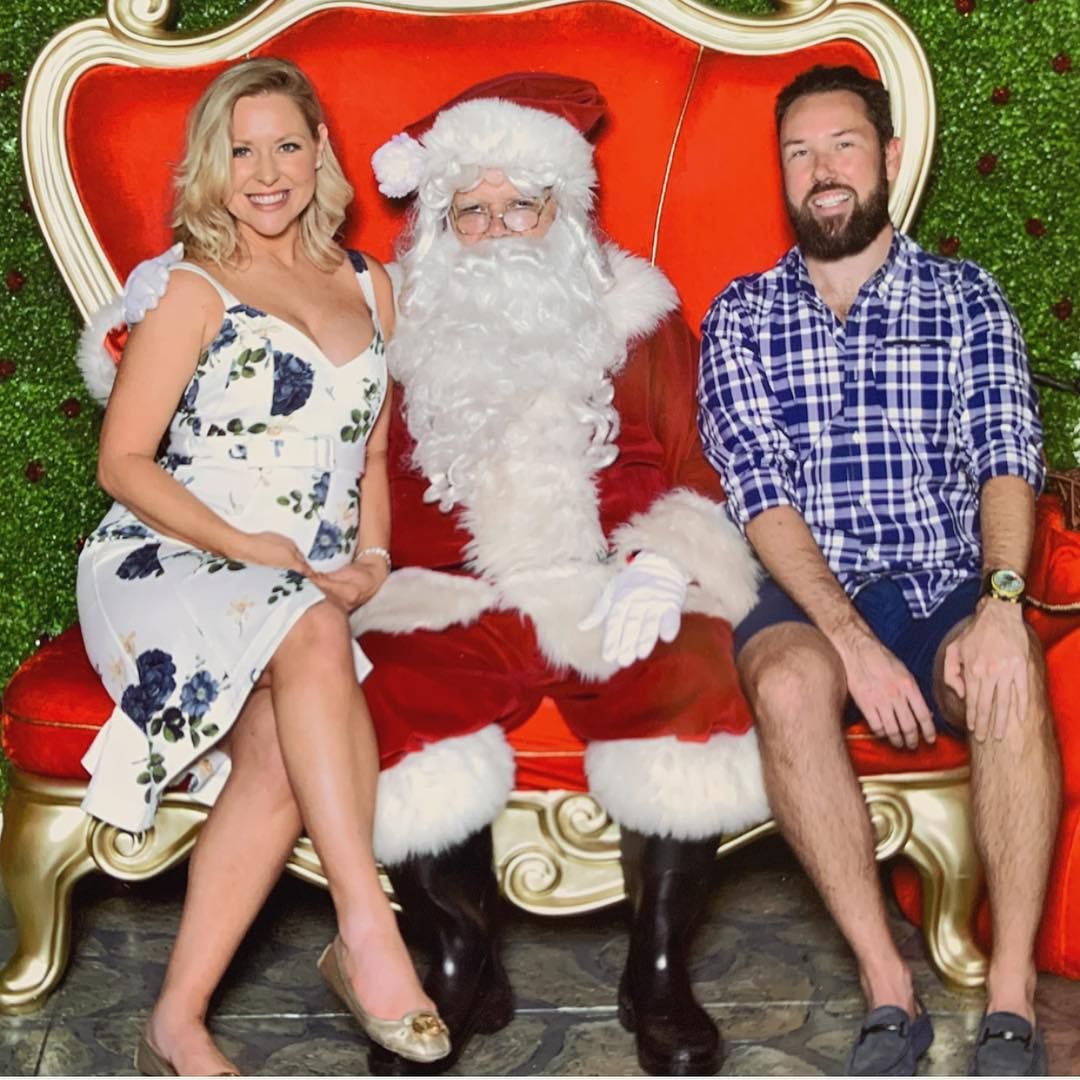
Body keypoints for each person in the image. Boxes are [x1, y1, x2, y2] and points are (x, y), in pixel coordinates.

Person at [108, 72, 768, 1078]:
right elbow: (247, 376)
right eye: (472, 211)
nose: (498, 232)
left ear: (564, 210)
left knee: (693, 682)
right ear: (440, 221)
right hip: (440, 592)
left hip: (605, 582)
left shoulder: (639, 318)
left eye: (522, 207)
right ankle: (458, 955)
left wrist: (662, 562)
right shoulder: (395, 314)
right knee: (386, 701)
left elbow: (698, 463)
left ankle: (661, 973)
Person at [76, 58, 449, 1076]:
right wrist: (249, 548)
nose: (268, 172)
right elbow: (122, 461)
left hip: (304, 580)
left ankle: (175, 1021)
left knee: (284, 747)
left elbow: (373, 454)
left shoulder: (370, 286)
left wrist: (375, 559)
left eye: (287, 145)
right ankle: (368, 930)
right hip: (170, 556)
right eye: (242, 152)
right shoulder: (193, 288)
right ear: (213, 166)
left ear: (321, 152)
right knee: (313, 627)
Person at [697, 64, 1061, 1077]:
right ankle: (888, 989)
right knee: (787, 680)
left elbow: (1006, 458)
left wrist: (1000, 605)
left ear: (889, 157)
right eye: (799, 153)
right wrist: (850, 641)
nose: (822, 171)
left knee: (1009, 675)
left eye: (843, 145)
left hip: (944, 578)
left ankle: (1013, 997)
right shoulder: (742, 315)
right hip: (810, 590)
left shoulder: (966, 297)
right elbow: (760, 496)